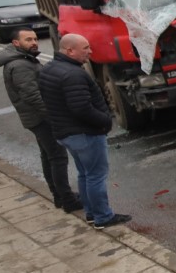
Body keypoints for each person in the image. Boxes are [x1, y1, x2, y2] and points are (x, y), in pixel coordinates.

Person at [38, 33, 131, 229]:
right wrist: (104, 122)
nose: (90, 51)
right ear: (70, 51)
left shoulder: (51, 69)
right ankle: (103, 217)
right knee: (96, 175)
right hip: (84, 133)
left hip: (67, 133)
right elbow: (81, 108)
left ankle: (90, 213)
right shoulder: (73, 75)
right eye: (85, 48)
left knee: (85, 174)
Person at [0, 29, 79, 213]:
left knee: (48, 156)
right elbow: (32, 96)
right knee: (57, 157)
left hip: (36, 117)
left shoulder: (23, 59)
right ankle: (67, 199)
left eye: (35, 39)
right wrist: (53, 117)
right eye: (28, 39)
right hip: (40, 119)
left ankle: (60, 195)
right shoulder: (21, 65)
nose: (34, 42)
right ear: (16, 43)